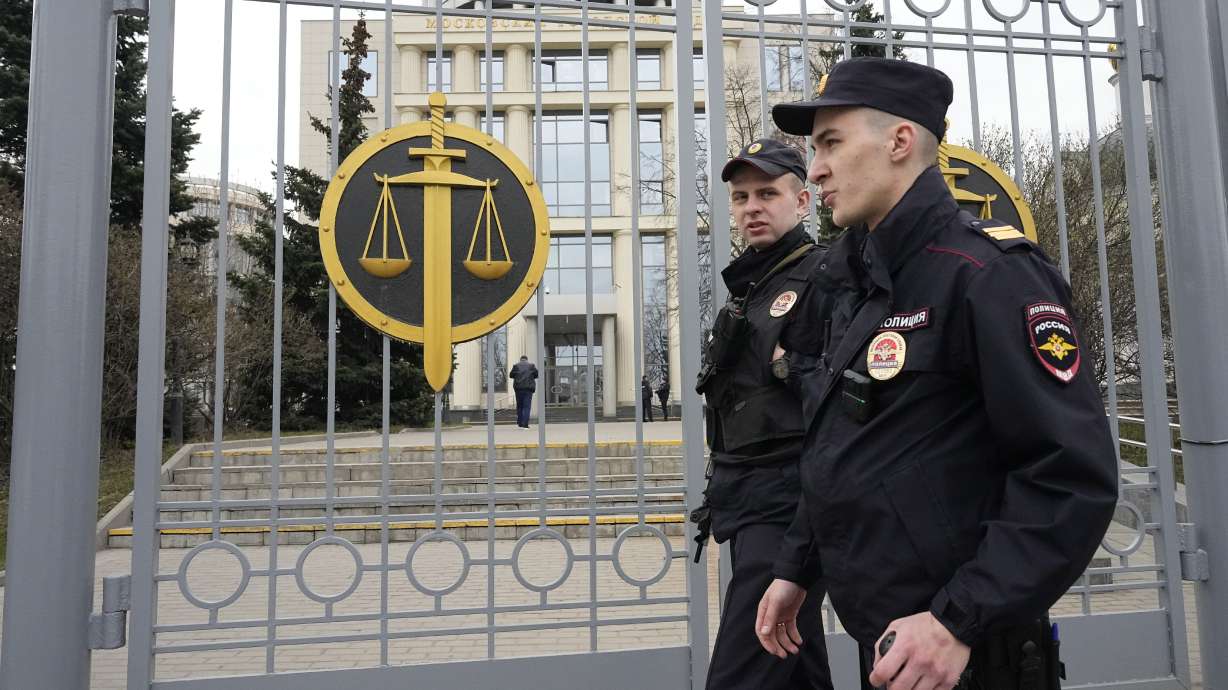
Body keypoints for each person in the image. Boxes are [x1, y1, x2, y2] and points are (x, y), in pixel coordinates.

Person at [754, 57, 1119, 690]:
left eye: (831, 144)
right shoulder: (858, 282)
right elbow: (847, 443)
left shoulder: (988, 275)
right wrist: (797, 566)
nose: (815, 169)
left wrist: (956, 621)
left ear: (899, 142)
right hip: (894, 645)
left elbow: (1070, 478)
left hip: (967, 654)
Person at [694, 138, 833, 690]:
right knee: (793, 655)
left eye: (768, 193)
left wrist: (787, 367)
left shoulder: (824, 275)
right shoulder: (749, 287)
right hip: (748, 497)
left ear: (802, 201)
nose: (752, 206)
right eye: (741, 196)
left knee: (745, 663)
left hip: (790, 503)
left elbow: (855, 383)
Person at [509, 355, 538, 428]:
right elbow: (536, 375)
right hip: (528, 389)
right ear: (526, 359)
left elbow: (511, 375)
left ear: (520, 359)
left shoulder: (516, 366)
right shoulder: (531, 366)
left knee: (519, 406)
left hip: (518, 389)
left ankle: (520, 422)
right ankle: (525, 423)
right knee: (527, 406)